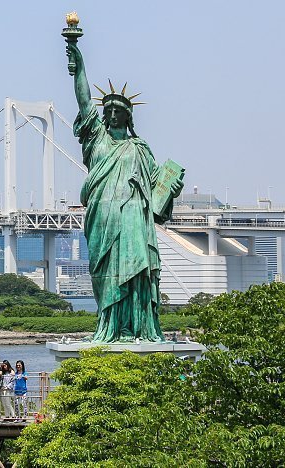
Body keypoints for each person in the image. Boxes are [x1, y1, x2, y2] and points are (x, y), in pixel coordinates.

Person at [66, 40, 183, 343]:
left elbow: (158, 186)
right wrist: (79, 66)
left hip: (133, 215)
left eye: (119, 110)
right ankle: (110, 327)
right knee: (105, 275)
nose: (114, 113)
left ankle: (139, 328)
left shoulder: (140, 148)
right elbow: (83, 101)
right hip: (102, 216)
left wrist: (173, 188)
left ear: (129, 117)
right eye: (109, 109)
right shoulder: (96, 139)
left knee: (137, 270)